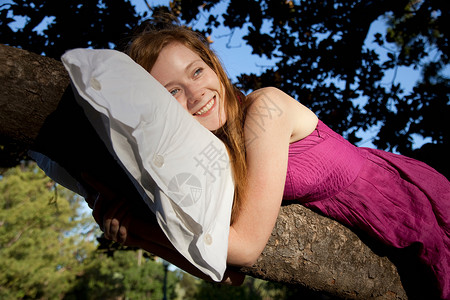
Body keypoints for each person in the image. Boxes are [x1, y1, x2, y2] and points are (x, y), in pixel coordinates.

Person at [84, 19, 450, 298]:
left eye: (197, 71)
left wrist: (142, 225)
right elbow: (226, 274)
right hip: (384, 233)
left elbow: (243, 249)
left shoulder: (265, 109)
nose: (196, 93)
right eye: (173, 91)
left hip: (409, 205)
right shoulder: (216, 159)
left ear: (214, 66)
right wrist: (137, 237)